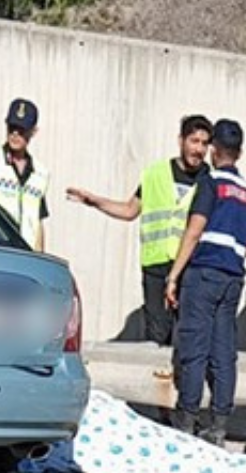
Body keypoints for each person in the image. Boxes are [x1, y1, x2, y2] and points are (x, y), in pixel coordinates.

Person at [66, 115, 213, 346]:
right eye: (194, 141)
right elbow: (129, 210)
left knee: (188, 334)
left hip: (191, 266)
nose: (199, 149)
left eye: (204, 143)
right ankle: (158, 381)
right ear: (181, 140)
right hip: (155, 265)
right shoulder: (155, 174)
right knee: (157, 335)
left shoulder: (210, 180)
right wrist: (94, 201)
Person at [163, 119, 246, 445]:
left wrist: (173, 276)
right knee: (223, 352)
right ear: (240, 152)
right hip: (232, 278)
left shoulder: (210, 183)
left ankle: (186, 421)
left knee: (194, 348)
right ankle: (218, 424)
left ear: (214, 149)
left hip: (203, 273)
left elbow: (194, 230)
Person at [0, 98, 49, 252]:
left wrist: (41, 256)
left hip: (27, 254)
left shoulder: (40, 173)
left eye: (21, 129)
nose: (15, 134)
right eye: (12, 127)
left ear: (33, 131)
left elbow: (38, 221)